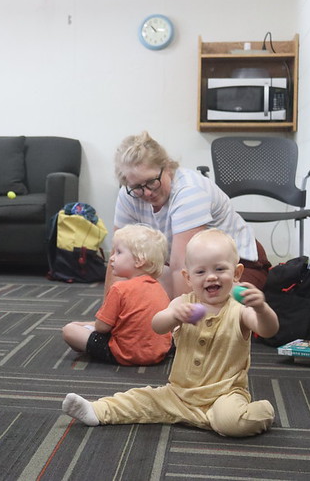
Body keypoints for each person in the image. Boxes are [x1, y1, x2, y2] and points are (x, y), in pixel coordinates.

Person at [62, 229, 279, 437]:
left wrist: (262, 308)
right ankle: (98, 410)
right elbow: (157, 326)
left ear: (237, 273)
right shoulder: (181, 303)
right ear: (188, 278)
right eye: (201, 272)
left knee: (231, 422)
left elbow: (268, 329)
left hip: (225, 395)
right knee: (144, 398)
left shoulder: (240, 309)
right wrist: (174, 315)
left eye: (220, 269)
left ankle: (259, 412)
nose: (211, 277)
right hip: (179, 393)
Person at [107, 131, 272, 300]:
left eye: (151, 182)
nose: (147, 192)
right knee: (137, 292)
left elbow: (181, 268)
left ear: (167, 167)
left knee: (217, 312)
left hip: (235, 264)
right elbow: (118, 258)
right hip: (191, 269)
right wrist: (107, 321)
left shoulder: (189, 191)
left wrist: (180, 321)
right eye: (137, 187)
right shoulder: (129, 194)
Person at [62, 224, 172, 366]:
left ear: (139, 260)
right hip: (158, 354)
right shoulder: (159, 288)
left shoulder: (119, 288)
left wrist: (83, 324)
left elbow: (102, 327)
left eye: (118, 252)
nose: (112, 258)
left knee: (69, 330)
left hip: (126, 354)